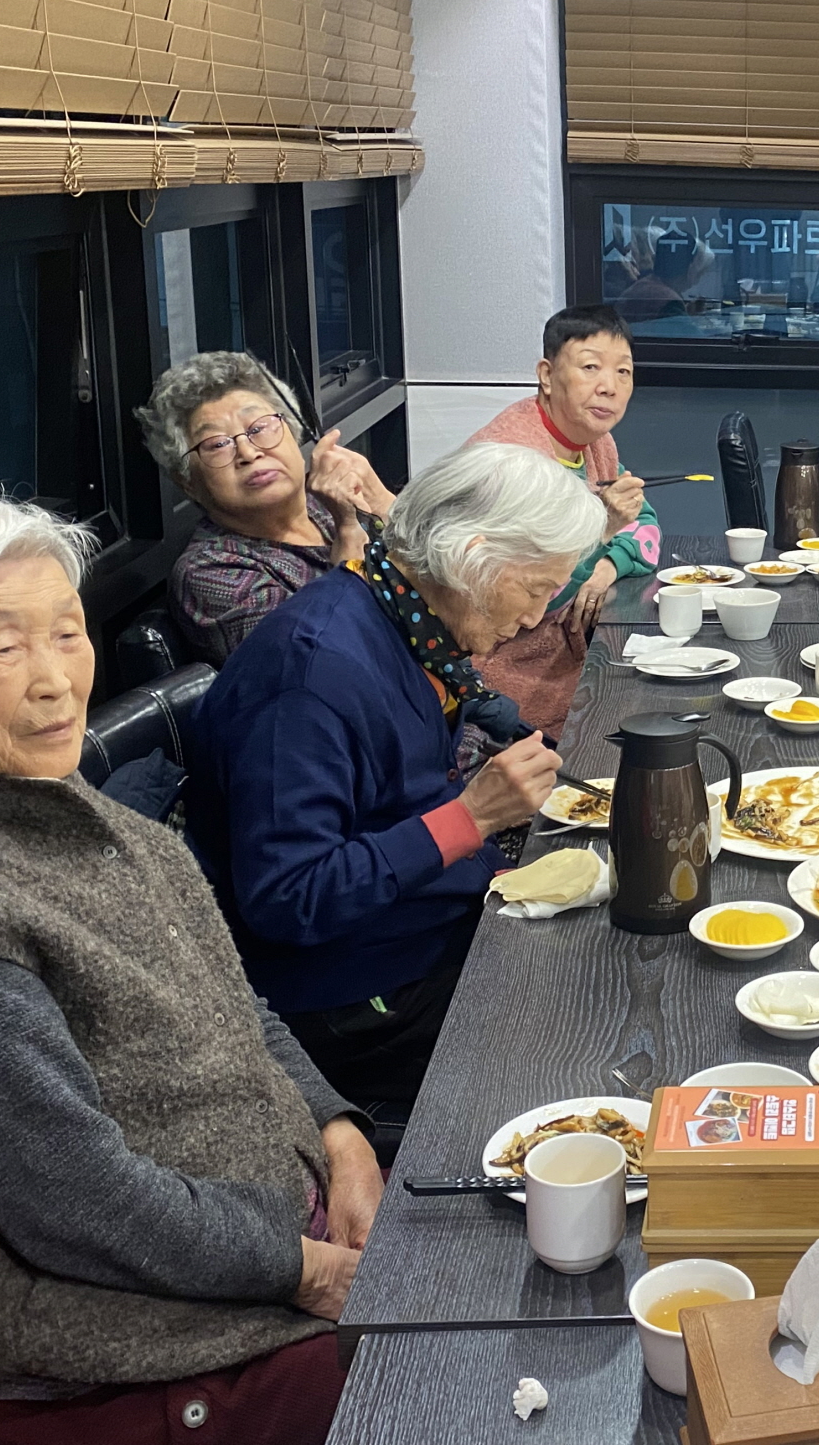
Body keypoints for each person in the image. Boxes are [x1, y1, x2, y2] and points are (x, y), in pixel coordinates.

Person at [0, 489, 371, 1442]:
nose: (56, 681)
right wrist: (313, 1272)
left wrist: (341, 1140)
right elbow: (79, 1204)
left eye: (67, 633)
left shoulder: (79, 815)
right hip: (149, 1361)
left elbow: (236, 1004)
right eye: (5, 648)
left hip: (278, 1255)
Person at [188, 443, 606, 1113]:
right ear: (471, 558)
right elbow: (288, 898)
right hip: (351, 995)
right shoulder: (312, 677)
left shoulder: (400, 615)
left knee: (613, 939)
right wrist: (470, 818)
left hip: (424, 923)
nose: (535, 617)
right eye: (534, 591)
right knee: (594, 1026)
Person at [466, 306, 658, 733]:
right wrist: (602, 531)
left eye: (623, 372)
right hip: (501, 677)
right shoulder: (514, 460)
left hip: (570, 654)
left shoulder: (595, 442)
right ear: (547, 376)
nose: (609, 387)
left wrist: (606, 566)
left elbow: (645, 527)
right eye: (590, 367)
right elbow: (532, 599)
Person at [139, 351, 395, 666]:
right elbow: (322, 664)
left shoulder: (323, 501)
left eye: (259, 428)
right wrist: (349, 532)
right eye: (218, 444)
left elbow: (441, 575)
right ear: (187, 481)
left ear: (293, 432)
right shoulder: (210, 573)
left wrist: (381, 501)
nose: (248, 452)